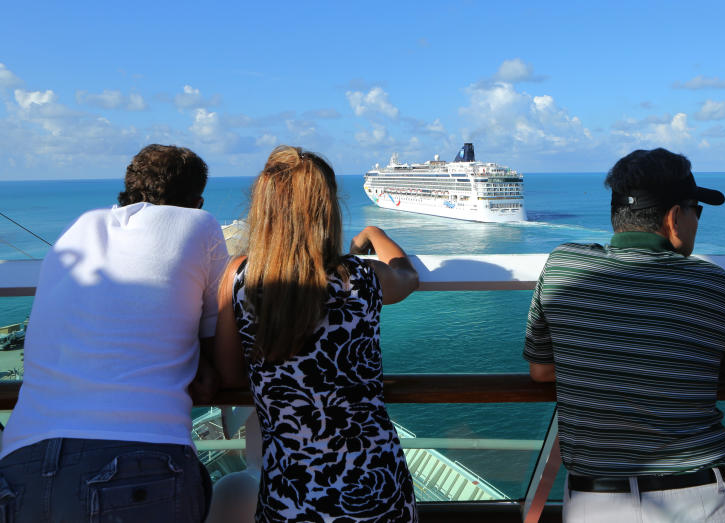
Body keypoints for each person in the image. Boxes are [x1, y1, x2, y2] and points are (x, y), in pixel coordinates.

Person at [0, 144, 228, 521]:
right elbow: (217, 344)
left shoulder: (79, 227)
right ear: (198, 200)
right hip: (138, 459)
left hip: (21, 464)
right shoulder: (199, 225)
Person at [524, 148, 725, 522]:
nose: (698, 220)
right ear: (675, 218)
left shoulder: (563, 266)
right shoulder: (713, 285)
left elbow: (542, 371)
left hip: (597, 502)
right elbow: (718, 375)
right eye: (697, 209)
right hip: (702, 500)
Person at [213, 145, 420, 522]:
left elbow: (228, 375)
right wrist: (374, 232)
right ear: (328, 209)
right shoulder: (360, 277)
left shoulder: (241, 278)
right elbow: (407, 276)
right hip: (375, 481)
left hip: (291, 491)